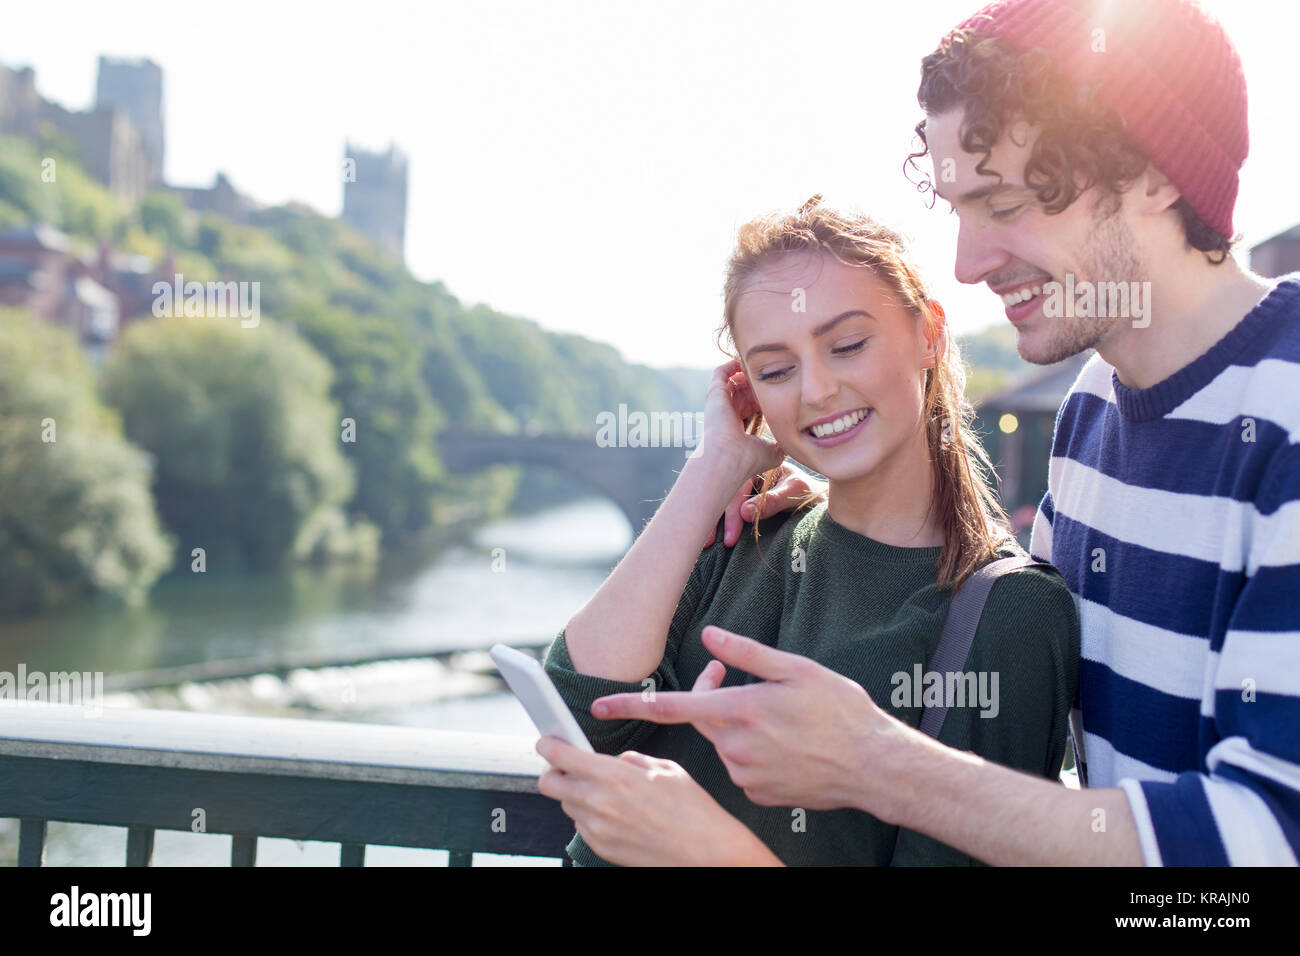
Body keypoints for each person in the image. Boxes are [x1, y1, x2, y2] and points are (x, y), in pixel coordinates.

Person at [590, 0, 1300, 866]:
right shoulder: (1093, 410)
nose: (969, 262)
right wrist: (852, 499)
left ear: (1154, 175)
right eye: (961, 208)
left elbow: (1272, 838)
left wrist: (874, 762)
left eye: (1004, 202)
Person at [536, 196, 1080, 866]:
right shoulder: (749, 530)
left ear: (928, 334)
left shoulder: (1006, 613)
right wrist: (711, 472)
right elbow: (576, 717)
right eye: (775, 370)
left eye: (847, 345)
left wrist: (711, 854)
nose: (816, 389)